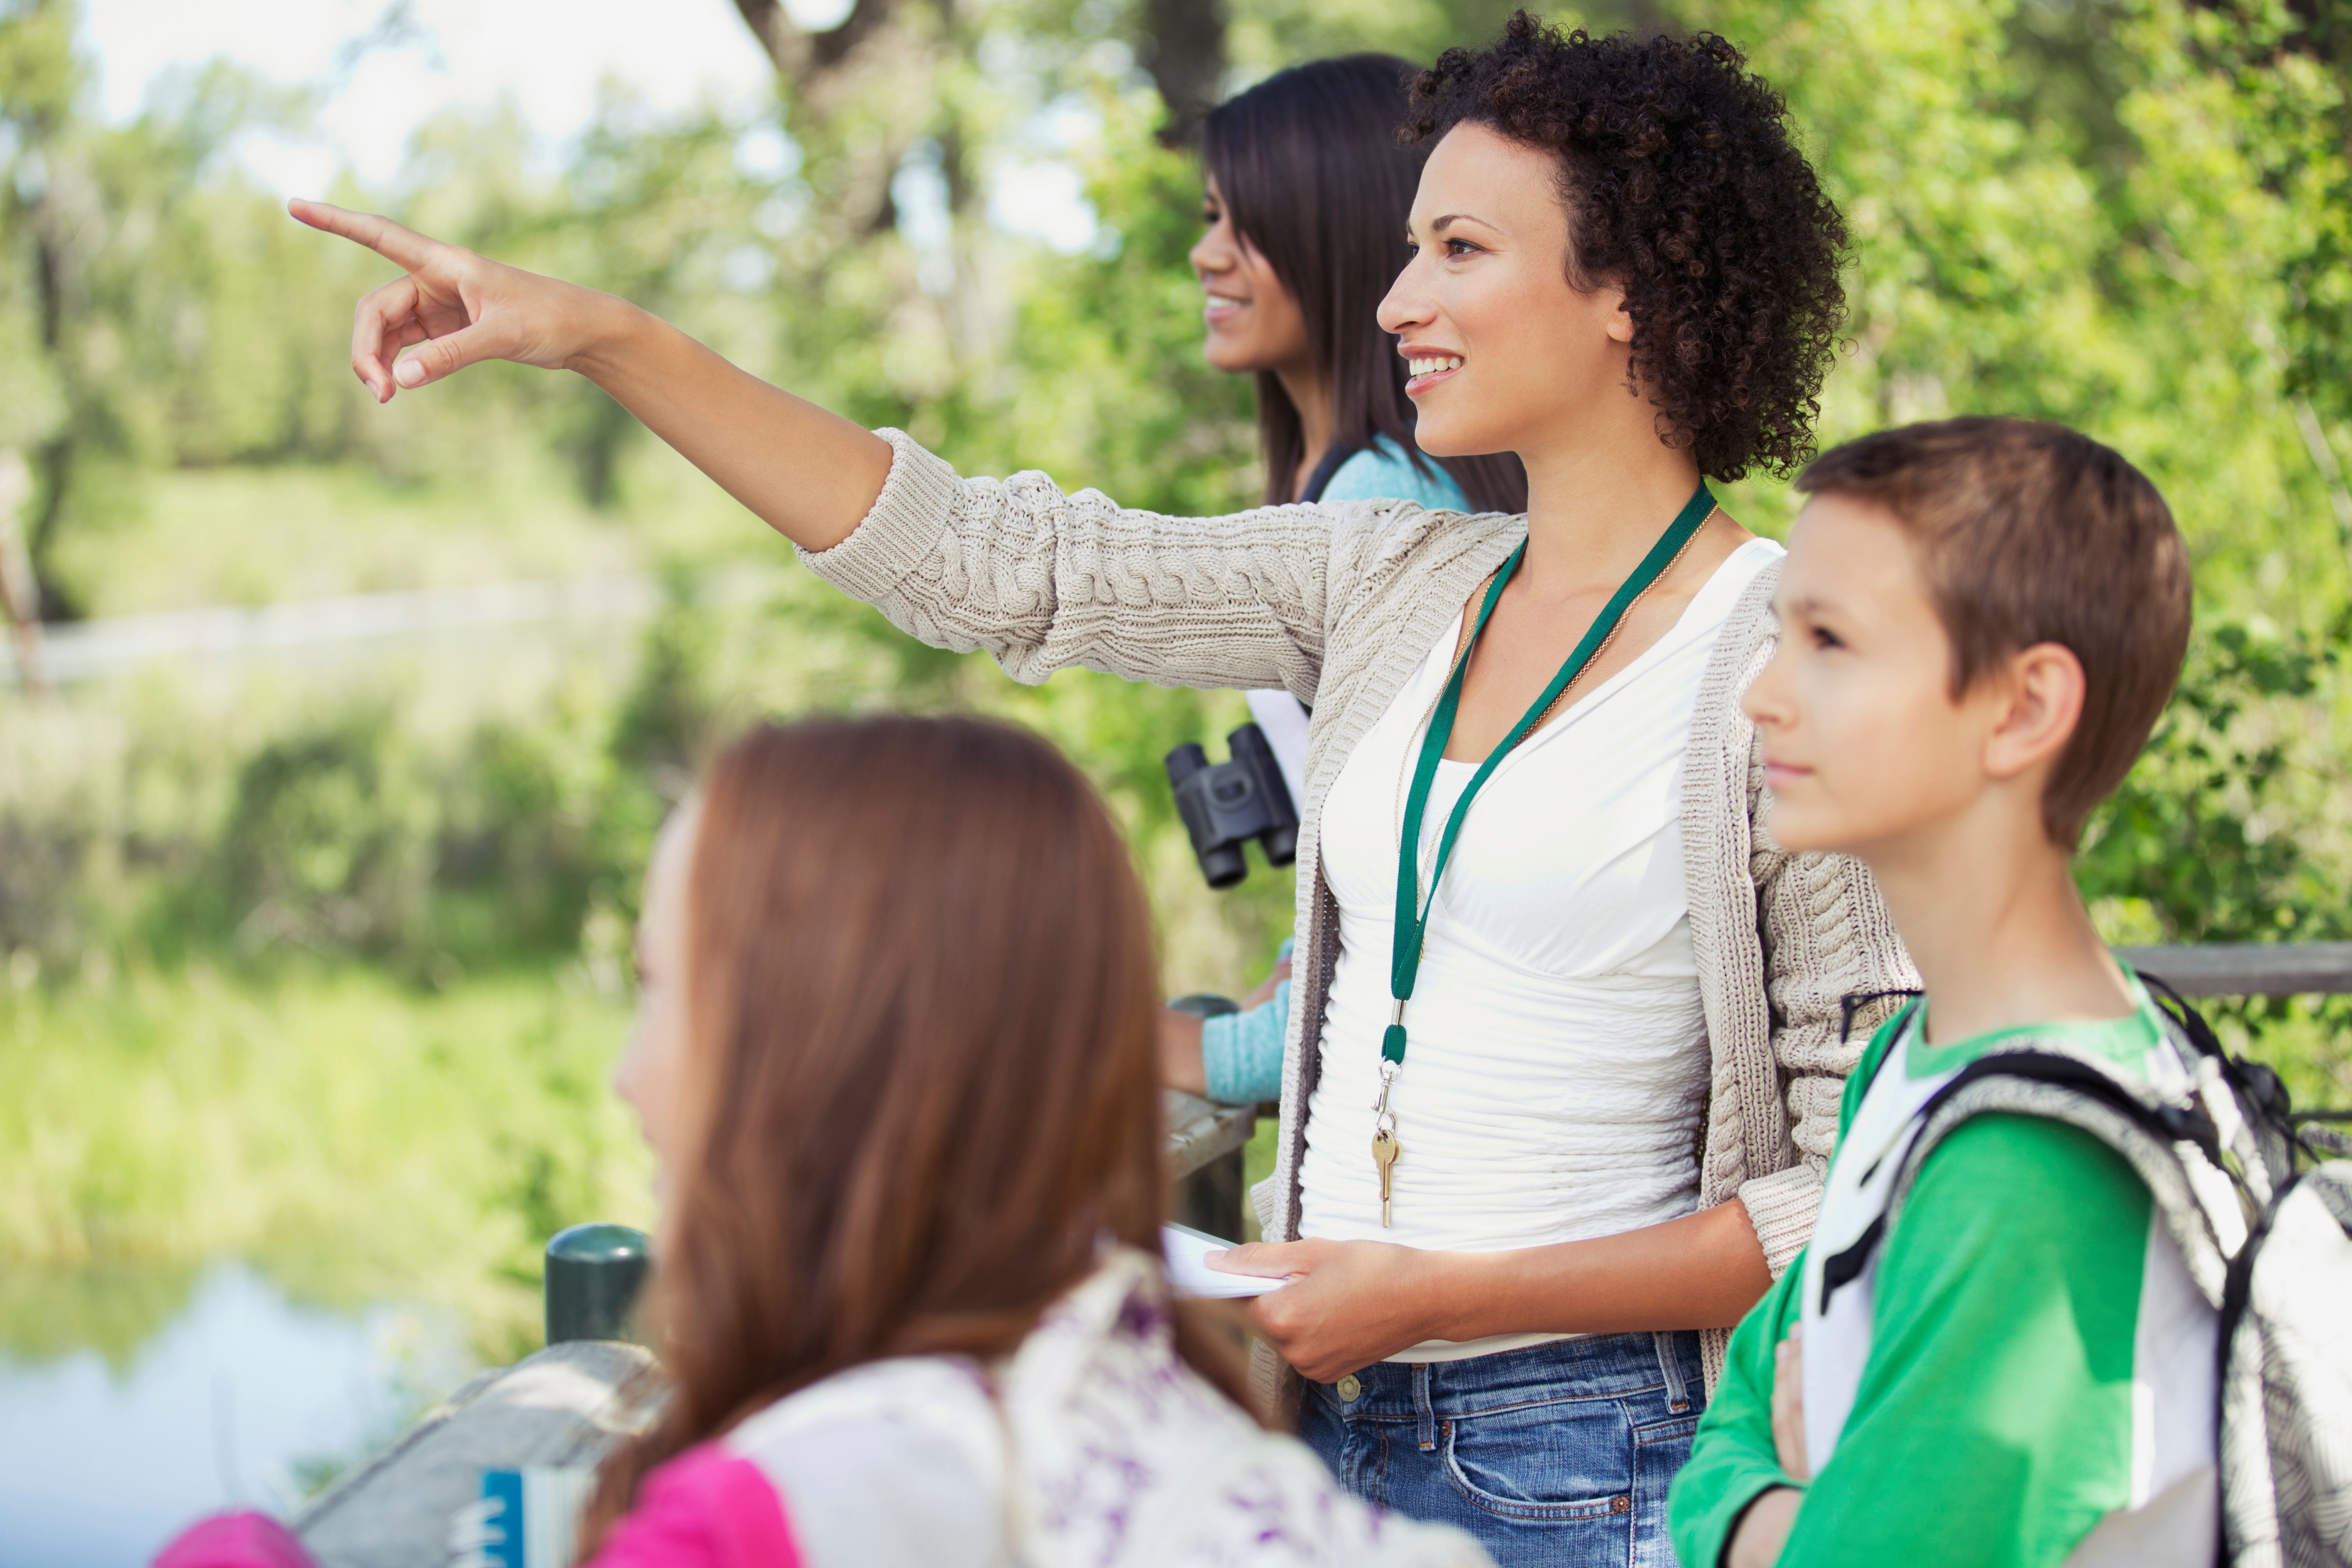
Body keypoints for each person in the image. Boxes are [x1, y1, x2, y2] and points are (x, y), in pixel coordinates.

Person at [292, 18, 1918, 1564]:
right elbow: (1011, 565)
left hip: (1598, 1452)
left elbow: (1846, 1173)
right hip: (1324, 1399)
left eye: (1461, 252)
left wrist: (1446, 1297)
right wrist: (604, 337)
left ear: (1628, 291)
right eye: (1410, 246)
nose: (1397, 298)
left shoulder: (1778, 650)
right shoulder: (1389, 573)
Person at [153, 715, 1489, 1568]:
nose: (629, 1080)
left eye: (665, 994)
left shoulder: (774, 1518)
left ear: (820, 1061)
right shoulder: (1127, 1388)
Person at [1668, 419, 2209, 1567]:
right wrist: (1781, 1504)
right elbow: (1726, 1436)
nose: (1763, 697)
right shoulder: (1911, 1058)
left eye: (1830, 641)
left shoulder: (2042, 1164)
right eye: (1779, 634)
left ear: (2022, 709)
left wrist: (1768, 1514)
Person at [1168, 52, 1526, 1110]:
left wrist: (1213, 1054)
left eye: (1243, 223)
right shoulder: (1354, 481)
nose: (1205, 256)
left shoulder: (1386, 500)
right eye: (1209, 218)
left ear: (1333, 224)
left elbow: (1439, 890)